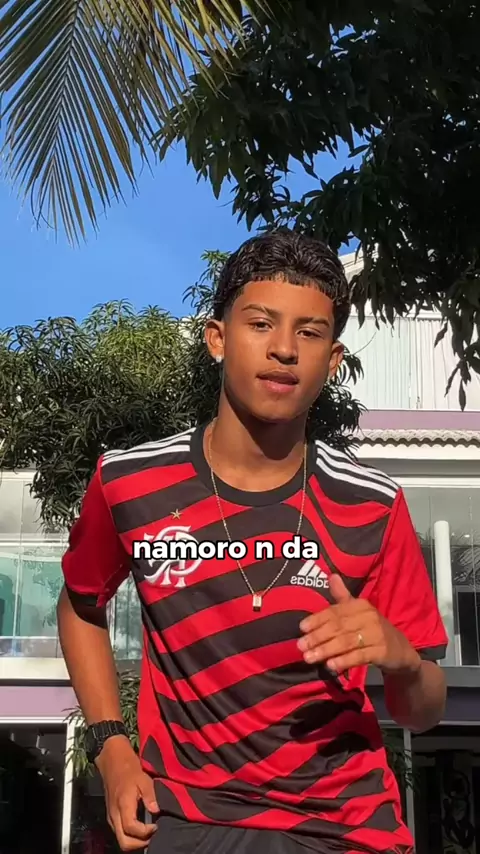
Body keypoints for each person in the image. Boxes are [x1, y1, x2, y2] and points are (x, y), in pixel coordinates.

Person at [58, 229, 448, 854]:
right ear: (217, 338)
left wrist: (400, 657)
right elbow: (80, 604)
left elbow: (422, 711)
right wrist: (111, 748)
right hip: (184, 820)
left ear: (333, 360)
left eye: (309, 333)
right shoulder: (128, 482)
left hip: (344, 828)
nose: (284, 349)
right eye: (261, 323)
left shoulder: (373, 503)